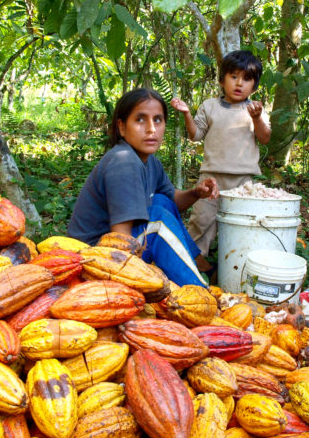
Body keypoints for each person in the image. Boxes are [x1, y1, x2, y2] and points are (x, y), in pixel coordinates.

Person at [67, 88, 217, 287]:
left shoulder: (150, 162)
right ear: (122, 127)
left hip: (114, 250)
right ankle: (202, 295)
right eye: (140, 120)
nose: (151, 129)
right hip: (93, 258)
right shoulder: (123, 161)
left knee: (161, 201)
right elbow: (120, 239)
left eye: (157, 120)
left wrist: (196, 192)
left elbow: (174, 201)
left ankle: (201, 266)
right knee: (158, 220)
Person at [171, 50, 271, 271]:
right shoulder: (210, 106)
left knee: (241, 225)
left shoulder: (255, 110)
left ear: (254, 87)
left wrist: (256, 118)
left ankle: (236, 265)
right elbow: (196, 135)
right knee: (201, 220)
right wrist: (187, 114)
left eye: (246, 79)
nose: (239, 83)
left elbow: (264, 138)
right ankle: (194, 261)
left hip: (243, 182)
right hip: (211, 179)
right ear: (222, 79)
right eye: (233, 76)